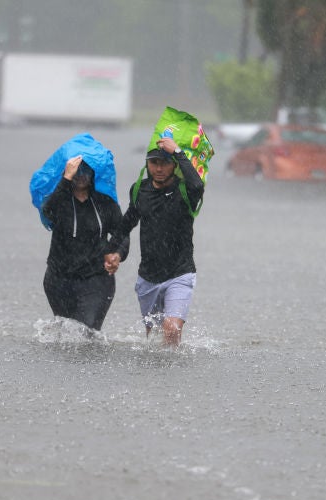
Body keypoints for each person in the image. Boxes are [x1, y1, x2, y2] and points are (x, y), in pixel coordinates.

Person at [112, 135, 205, 346]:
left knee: (171, 329)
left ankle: (173, 376)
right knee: (153, 338)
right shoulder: (139, 190)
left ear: (173, 165)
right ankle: (156, 376)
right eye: (154, 163)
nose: (159, 168)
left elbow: (198, 186)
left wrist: (178, 153)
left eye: (164, 163)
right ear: (147, 164)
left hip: (180, 273)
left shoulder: (185, 190)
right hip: (148, 276)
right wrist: (113, 251)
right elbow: (127, 224)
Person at [41, 154, 129, 331]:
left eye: (86, 171)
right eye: (76, 171)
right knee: (66, 333)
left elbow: (123, 234)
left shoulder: (105, 202)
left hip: (96, 278)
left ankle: (91, 359)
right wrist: (66, 179)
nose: (81, 175)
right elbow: (48, 212)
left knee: (87, 331)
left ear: (93, 173)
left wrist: (118, 254)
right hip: (58, 278)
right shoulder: (60, 200)